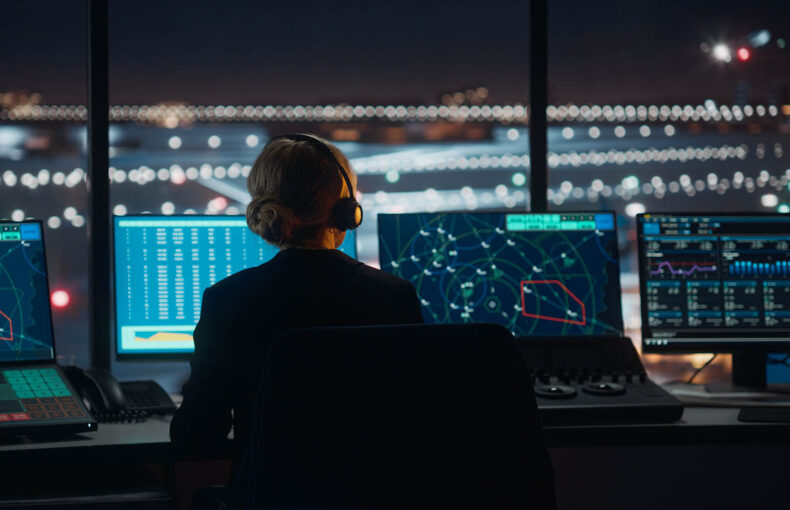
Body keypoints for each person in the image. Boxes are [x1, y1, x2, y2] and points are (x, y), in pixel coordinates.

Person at [170, 134, 424, 455]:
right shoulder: (394, 296)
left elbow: (195, 432)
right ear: (348, 212)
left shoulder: (228, 300)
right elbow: (419, 415)